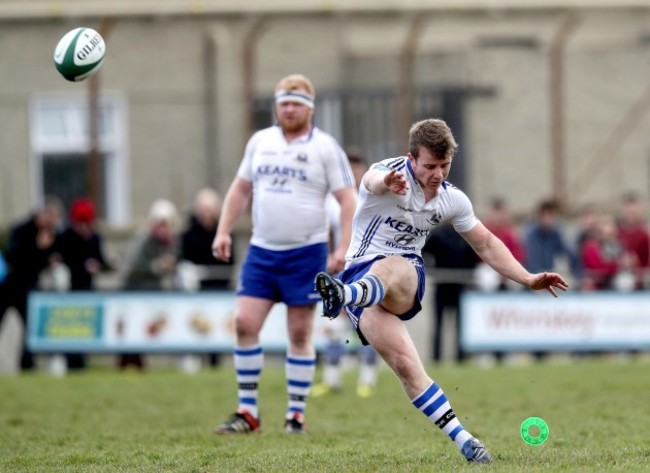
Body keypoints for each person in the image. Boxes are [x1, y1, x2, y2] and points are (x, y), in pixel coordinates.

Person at [314, 118, 568, 464]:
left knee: (390, 266)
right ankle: (466, 441)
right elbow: (371, 180)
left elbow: (487, 244)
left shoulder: (452, 200)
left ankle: (344, 296)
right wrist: (386, 182)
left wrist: (527, 278)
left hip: (403, 276)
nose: (437, 173)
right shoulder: (388, 173)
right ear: (411, 158)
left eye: (444, 165)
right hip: (361, 275)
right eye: (430, 166)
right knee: (406, 367)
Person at [211, 74, 357, 434]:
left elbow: (348, 200)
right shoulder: (260, 141)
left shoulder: (325, 147)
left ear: (309, 108)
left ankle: (295, 415)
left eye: (296, 103)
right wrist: (223, 230)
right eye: (283, 103)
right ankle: (248, 412)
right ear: (276, 106)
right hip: (262, 251)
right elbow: (240, 188)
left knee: (299, 332)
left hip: (305, 253)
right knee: (245, 323)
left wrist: (343, 247)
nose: (288, 109)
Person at [312, 150, 379, 398]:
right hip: (340, 269)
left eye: (358, 169)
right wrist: (329, 260)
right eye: (349, 170)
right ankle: (332, 380)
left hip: (367, 269)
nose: (354, 174)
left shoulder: (374, 199)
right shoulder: (333, 202)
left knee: (367, 323)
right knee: (334, 324)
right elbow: (327, 232)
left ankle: (367, 381)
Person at [0, 196, 63, 370]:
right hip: (9, 286)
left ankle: (27, 364)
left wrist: (47, 254)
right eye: (51, 216)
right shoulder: (21, 230)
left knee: (30, 327)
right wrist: (38, 248)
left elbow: (44, 263)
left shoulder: (51, 236)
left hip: (28, 288)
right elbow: (13, 257)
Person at [119, 198, 180, 370]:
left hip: (152, 292)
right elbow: (133, 265)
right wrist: (157, 266)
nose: (165, 228)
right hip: (135, 290)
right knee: (132, 330)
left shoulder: (170, 242)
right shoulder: (143, 239)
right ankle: (129, 362)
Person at [55, 197, 112, 369]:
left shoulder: (94, 238)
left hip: (87, 288)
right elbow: (61, 260)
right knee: (70, 327)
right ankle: (70, 362)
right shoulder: (65, 237)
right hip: (69, 289)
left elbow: (101, 260)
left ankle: (81, 362)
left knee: (84, 327)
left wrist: (101, 265)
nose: (84, 228)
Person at [422, 223, 477, 363]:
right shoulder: (437, 234)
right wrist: (431, 268)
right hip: (441, 284)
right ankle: (437, 357)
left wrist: (469, 273)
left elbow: (473, 257)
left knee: (461, 325)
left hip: (460, 285)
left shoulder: (465, 234)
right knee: (438, 324)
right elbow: (424, 252)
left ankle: (461, 356)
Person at [179, 187, 234, 291]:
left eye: (209, 210)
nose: (206, 214)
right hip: (196, 286)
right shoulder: (189, 234)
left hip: (221, 286)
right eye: (204, 210)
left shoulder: (225, 234)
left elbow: (229, 260)